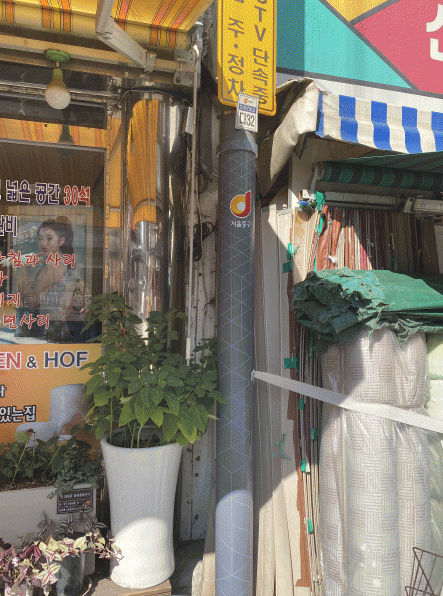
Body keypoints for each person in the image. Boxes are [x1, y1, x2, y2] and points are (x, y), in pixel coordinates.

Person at [17, 216, 80, 340]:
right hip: (47, 328)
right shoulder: (54, 263)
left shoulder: (54, 267)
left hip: (46, 329)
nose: (43, 243)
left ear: (61, 241)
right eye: (40, 239)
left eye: (49, 238)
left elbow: (30, 302)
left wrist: (23, 268)